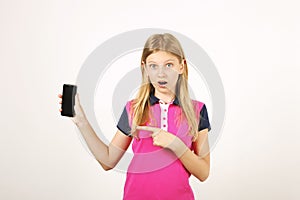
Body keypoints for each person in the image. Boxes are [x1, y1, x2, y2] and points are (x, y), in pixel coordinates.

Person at [58, 33, 211, 200]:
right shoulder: (134, 109)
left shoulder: (198, 111)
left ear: (182, 66)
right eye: (153, 66)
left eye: (169, 65)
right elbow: (108, 161)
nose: (161, 74)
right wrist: (82, 122)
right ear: (144, 67)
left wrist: (177, 145)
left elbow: (203, 173)